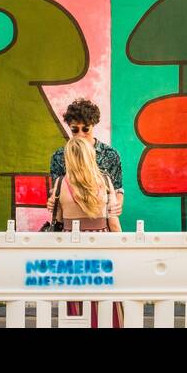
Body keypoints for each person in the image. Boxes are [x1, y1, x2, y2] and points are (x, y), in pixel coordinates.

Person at [46, 132, 124, 327]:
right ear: (90, 155)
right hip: (102, 244)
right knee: (106, 294)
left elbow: (58, 220)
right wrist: (122, 246)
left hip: (71, 246)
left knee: (75, 293)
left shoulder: (59, 184)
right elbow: (113, 223)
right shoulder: (105, 182)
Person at [50, 98, 123, 233]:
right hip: (70, 225)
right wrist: (52, 201)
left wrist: (116, 203)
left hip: (101, 223)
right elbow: (56, 191)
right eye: (75, 130)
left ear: (93, 125)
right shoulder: (60, 156)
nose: (80, 134)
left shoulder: (110, 154)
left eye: (85, 129)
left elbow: (117, 188)